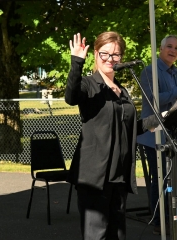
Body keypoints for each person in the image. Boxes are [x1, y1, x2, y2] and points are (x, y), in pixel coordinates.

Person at [65, 32, 138, 240]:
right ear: (96, 54)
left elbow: (128, 128)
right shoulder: (89, 85)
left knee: (118, 235)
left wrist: (159, 120)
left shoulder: (122, 91)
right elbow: (71, 96)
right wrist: (77, 62)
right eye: (105, 53)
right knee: (96, 235)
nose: (110, 59)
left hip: (119, 175)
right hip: (94, 178)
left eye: (115, 54)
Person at [137, 35, 177, 236]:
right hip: (153, 133)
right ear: (161, 49)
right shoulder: (150, 71)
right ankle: (159, 220)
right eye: (169, 47)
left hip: (173, 132)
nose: (173, 51)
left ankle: (168, 214)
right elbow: (155, 100)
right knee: (160, 178)